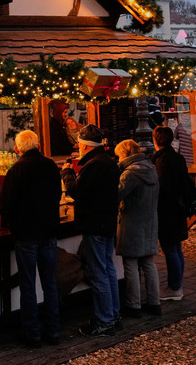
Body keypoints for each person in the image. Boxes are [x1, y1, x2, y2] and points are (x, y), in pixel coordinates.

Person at [0, 130, 63, 346]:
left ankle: (32, 332)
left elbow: (5, 203)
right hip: (48, 230)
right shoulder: (51, 166)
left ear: (18, 148)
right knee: (49, 283)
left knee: (28, 284)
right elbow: (57, 195)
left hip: (26, 233)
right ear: (39, 144)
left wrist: (11, 223)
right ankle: (53, 329)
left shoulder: (16, 170)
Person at [61, 124, 121, 337]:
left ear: (85, 146)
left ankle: (104, 320)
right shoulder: (109, 162)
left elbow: (76, 191)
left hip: (95, 224)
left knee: (98, 274)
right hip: (107, 222)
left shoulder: (93, 165)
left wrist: (67, 172)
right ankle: (113, 315)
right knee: (108, 270)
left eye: (79, 145)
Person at [114, 139, 161, 317]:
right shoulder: (151, 169)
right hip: (149, 220)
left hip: (131, 222)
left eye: (119, 155)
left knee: (131, 264)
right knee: (149, 263)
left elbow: (117, 194)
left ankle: (134, 305)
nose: (118, 159)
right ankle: (154, 302)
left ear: (125, 154)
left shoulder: (130, 174)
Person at [151, 126, 189, 301]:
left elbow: (163, 189)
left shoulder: (162, 161)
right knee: (176, 247)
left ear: (155, 140)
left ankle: (175, 287)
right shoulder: (177, 158)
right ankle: (177, 285)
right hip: (179, 208)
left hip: (168, 210)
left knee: (170, 248)